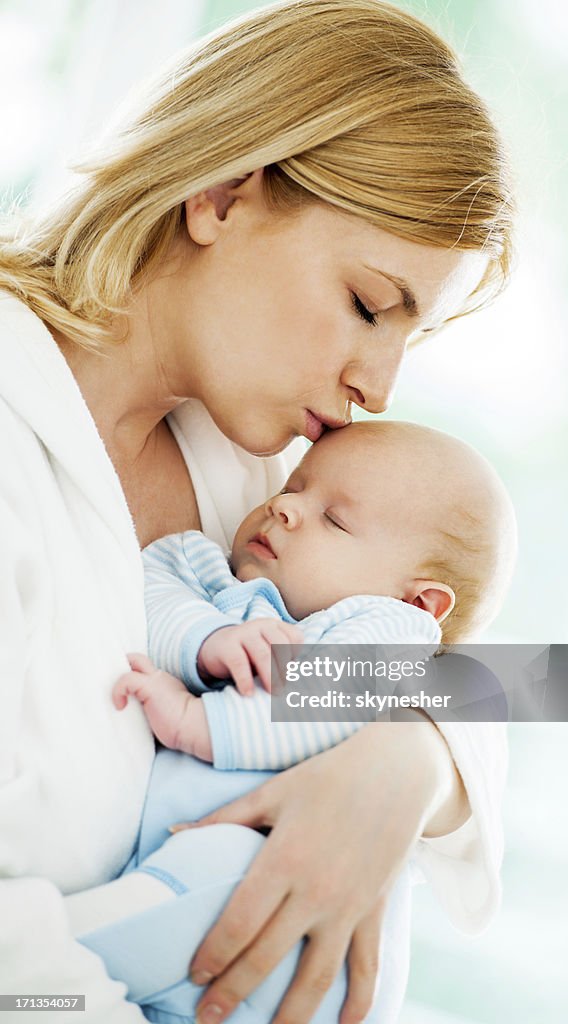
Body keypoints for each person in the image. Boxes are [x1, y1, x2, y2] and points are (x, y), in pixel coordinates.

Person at [0, 1, 513, 1022]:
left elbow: (556, 684)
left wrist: (400, 760)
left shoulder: (272, 482)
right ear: (224, 194)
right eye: (370, 306)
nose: (379, 384)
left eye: (410, 335)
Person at [70, 419, 515, 1024]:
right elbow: (153, 584)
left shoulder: (385, 631)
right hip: (190, 907)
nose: (283, 506)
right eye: (296, 485)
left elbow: (317, 707)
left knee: (84, 953)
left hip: (277, 917)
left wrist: (202, 723)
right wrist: (208, 638)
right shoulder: (213, 572)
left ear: (417, 602)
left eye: (335, 519)